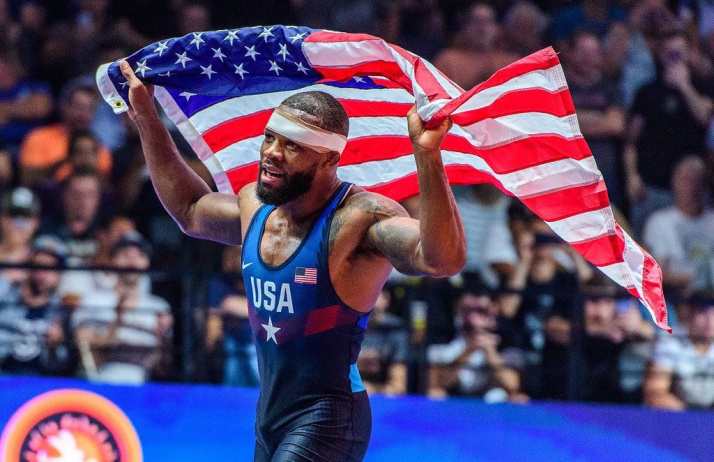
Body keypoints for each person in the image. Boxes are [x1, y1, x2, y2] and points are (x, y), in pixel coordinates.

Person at [119, 56, 466, 461]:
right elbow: (190, 209)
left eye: (292, 146)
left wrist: (427, 155)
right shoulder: (254, 206)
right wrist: (146, 116)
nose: (271, 153)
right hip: (270, 416)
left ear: (330, 160)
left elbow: (441, 261)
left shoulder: (361, 219)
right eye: (270, 138)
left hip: (329, 416)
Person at [72, 231, 172, 385]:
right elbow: (87, 356)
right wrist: (117, 319)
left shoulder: (159, 307)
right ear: (113, 260)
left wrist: (162, 340)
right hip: (99, 383)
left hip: (143, 388)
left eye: (140, 255)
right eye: (125, 254)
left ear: (147, 262)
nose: (132, 260)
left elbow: (161, 368)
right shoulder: (93, 300)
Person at [427, 287, 527, 402]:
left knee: (518, 399)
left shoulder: (508, 336)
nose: (473, 317)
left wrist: (490, 351)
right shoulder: (445, 334)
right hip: (455, 399)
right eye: (467, 310)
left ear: (494, 308)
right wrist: (470, 350)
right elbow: (437, 382)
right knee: (434, 394)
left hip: (493, 402)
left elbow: (512, 385)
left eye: (481, 310)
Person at [0, 235, 75, 377]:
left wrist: (54, 348)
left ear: (59, 275)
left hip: (40, 382)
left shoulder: (61, 311)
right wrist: (7, 276)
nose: (43, 273)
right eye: (38, 265)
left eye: (51, 268)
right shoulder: (7, 297)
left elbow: (63, 367)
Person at [644, 292, 714, 410]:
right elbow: (655, 394)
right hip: (677, 416)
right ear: (688, 313)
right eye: (702, 312)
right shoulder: (669, 341)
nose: (710, 320)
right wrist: (693, 416)